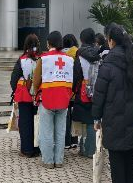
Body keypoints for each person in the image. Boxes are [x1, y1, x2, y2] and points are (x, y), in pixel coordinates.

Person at [92, 25, 133, 183]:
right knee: (130, 151)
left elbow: (99, 93)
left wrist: (96, 117)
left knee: (116, 151)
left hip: (113, 114)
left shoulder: (108, 63)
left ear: (111, 41)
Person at [31, 31, 74, 168]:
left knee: (47, 131)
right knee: (60, 132)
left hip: (47, 98)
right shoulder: (69, 59)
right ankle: (59, 160)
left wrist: (36, 92)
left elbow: (36, 80)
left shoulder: (43, 59)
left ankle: (48, 161)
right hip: (64, 99)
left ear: (49, 43)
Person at [10, 34, 41, 157]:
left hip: (25, 95)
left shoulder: (22, 60)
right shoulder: (42, 58)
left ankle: (27, 150)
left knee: (25, 123)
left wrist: (15, 90)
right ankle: (37, 149)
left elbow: (13, 79)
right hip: (39, 95)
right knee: (37, 122)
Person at [72, 27, 101, 157]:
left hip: (84, 90)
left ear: (82, 40)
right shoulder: (99, 53)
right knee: (93, 119)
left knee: (85, 120)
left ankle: (86, 149)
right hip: (98, 89)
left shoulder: (79, 54)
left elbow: (76, 74)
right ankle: (91, 149)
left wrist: (73, 89)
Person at [62, 33, 80, 150]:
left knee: (65, 116)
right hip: (75, 90)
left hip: (65, 89)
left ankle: (66, 142)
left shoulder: (61, 55)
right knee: (74, 116)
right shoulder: (78, 53)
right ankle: (74, 140)